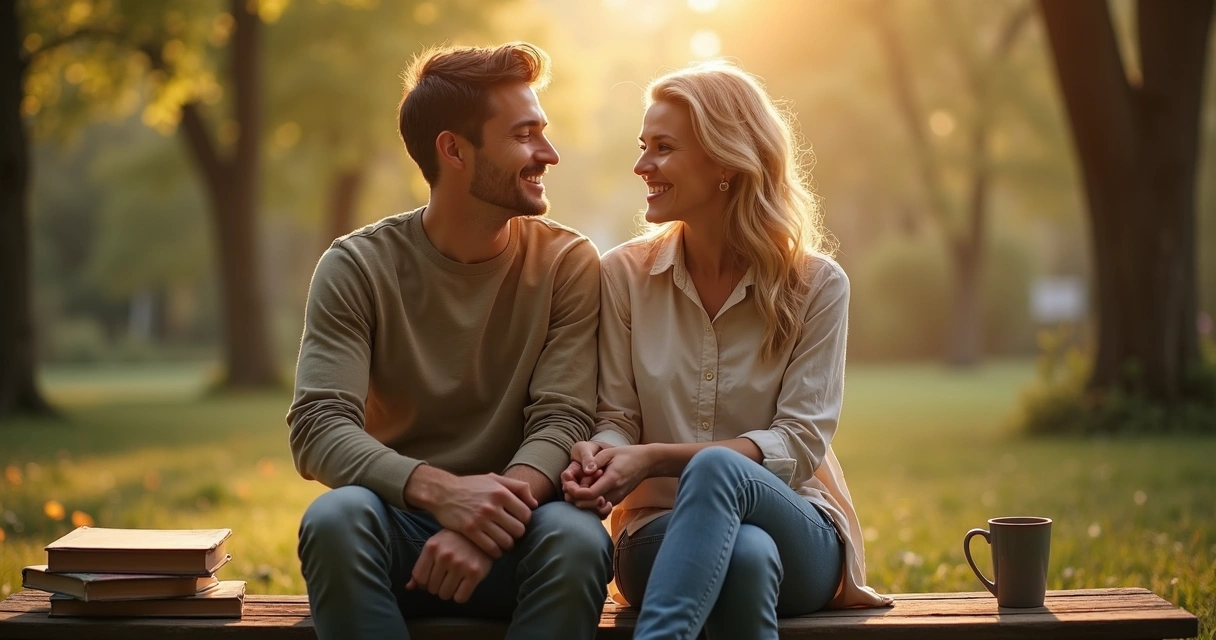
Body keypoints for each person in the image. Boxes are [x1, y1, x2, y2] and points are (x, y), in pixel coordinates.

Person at [288, 42, 612, 640]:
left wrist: (482, 521)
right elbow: (318, 426)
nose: (549, 153)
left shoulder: (568, 262)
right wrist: (440, 494)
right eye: (524, 135)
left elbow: (564, 419)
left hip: (528, 534)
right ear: (454, 149)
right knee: (335, 518)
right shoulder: (357, 265)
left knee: (578, 538)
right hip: (401, 539)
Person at [562, 60, 892, 640]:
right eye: (643, 146)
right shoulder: (624, 276)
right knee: (744, 555)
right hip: (656, 529)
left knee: (724, 475)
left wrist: (655, 458)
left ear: (723, 161)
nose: (642, 166)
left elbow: (797, 443)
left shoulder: (817, 285)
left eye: (663, 148)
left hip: (799, 532)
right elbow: (616, 417)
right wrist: (605, 455)